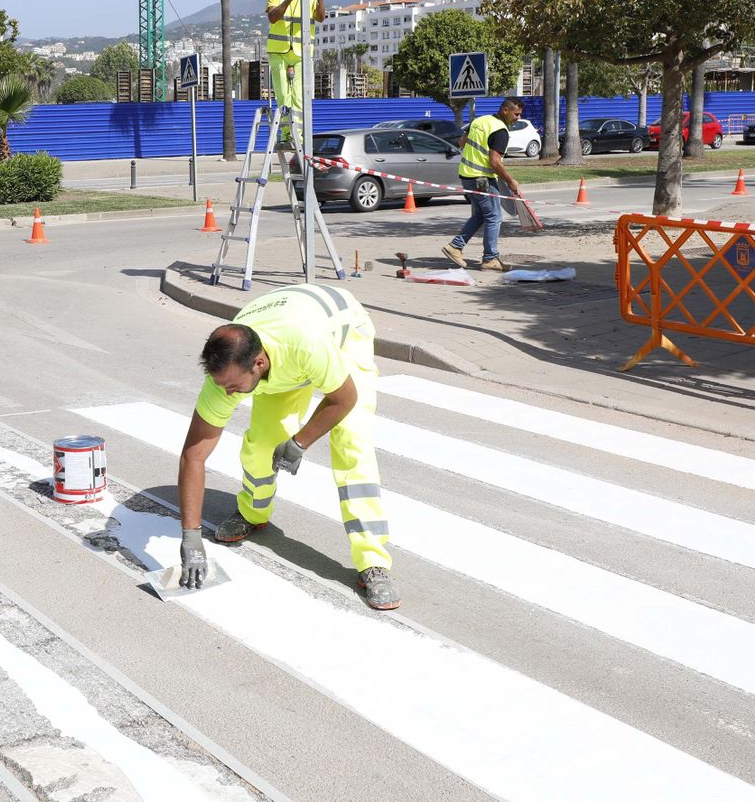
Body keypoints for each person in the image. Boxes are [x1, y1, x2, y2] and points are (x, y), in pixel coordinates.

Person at [176, 284, 399, 611]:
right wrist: (191, 538)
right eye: (223, 387)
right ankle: (252, 514)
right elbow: (193, 455)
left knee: (352, 441)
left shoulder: (305, 344)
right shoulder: (225, 377)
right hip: (285, 343)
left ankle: (373, 562)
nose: (228, 395)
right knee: (262, 443)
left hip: (341, 332)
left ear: (259, 364)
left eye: (234, 387)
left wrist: (300, 442)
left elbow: (344, 398)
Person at [442, 96, 526, 273]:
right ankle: (489, 259)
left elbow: (461, 142)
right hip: (482, 179)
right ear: (505, 110)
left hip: (466, 175)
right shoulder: (500, 131)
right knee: (494, 217)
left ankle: (455, 247)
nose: (518, 118)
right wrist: (511, 181)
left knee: (480, 215)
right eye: (516, 114)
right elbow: (495, 162)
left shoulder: (480, 121)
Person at [263, 0, 326, 122]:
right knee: (283, 95)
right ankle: (286, 134)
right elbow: (272, 17)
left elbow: (320, 18)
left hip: (301, 52)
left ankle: (298, 136)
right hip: (279, 51)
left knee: (299, 96)